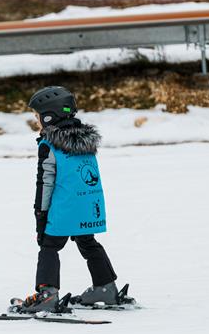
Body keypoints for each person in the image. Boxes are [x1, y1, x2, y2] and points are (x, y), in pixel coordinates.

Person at [16, 86, 129, 313]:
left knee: (49, 246)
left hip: (64, 207)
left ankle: (47, 294)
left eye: (38, 117)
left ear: (49, 116)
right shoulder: (86, 142)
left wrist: (41, 214)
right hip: (90, 205)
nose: (37, 122)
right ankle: (106, 287)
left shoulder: (49, 145)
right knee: (88, 243)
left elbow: (45, 183)